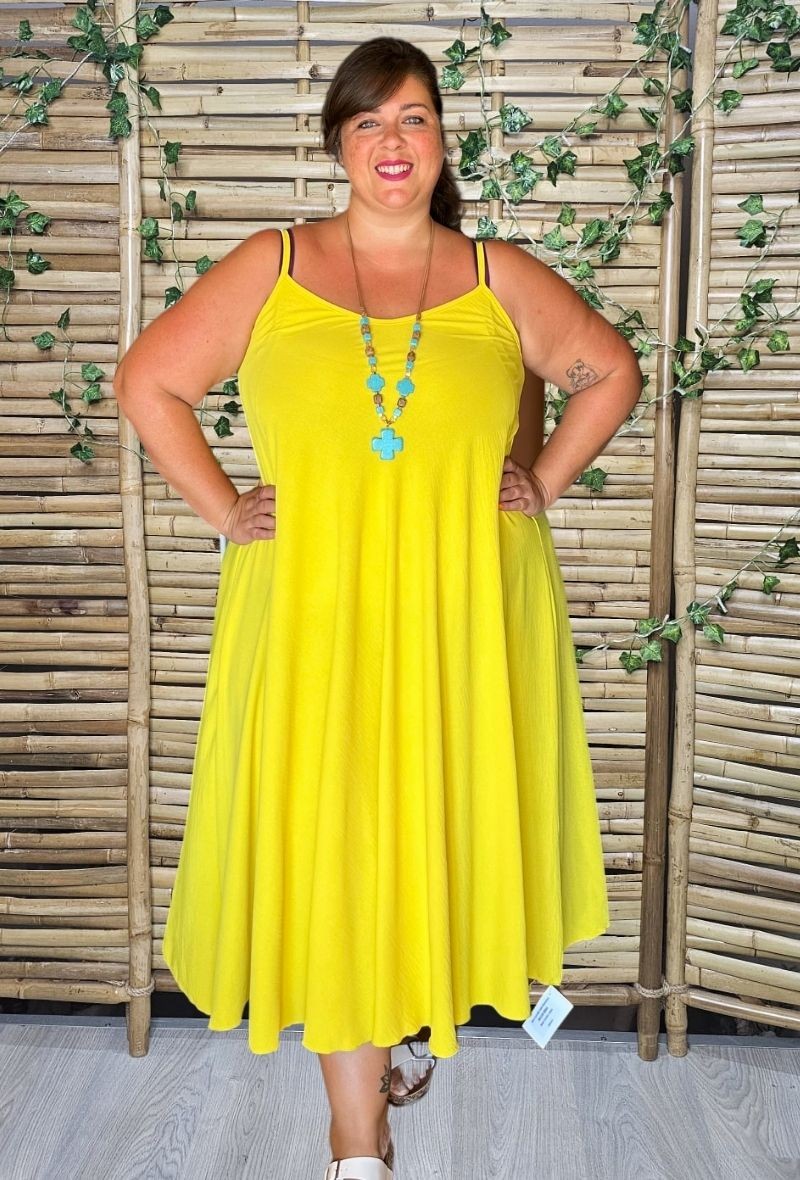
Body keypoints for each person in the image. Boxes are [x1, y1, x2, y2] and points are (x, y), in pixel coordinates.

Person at [114, 35, 642, 1180]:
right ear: (336, 145)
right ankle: (358, 1139)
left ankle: (399, 1055)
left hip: (463, 613)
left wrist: (542, 478)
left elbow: (609, 371)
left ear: (441, 138)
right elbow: (147, 380)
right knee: (337, 851)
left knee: (429, 827)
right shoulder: (272, 264)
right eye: (366, 122)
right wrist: (223, 508)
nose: (390, 142)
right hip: (311, 614)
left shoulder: (497, 276)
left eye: (411, 118)